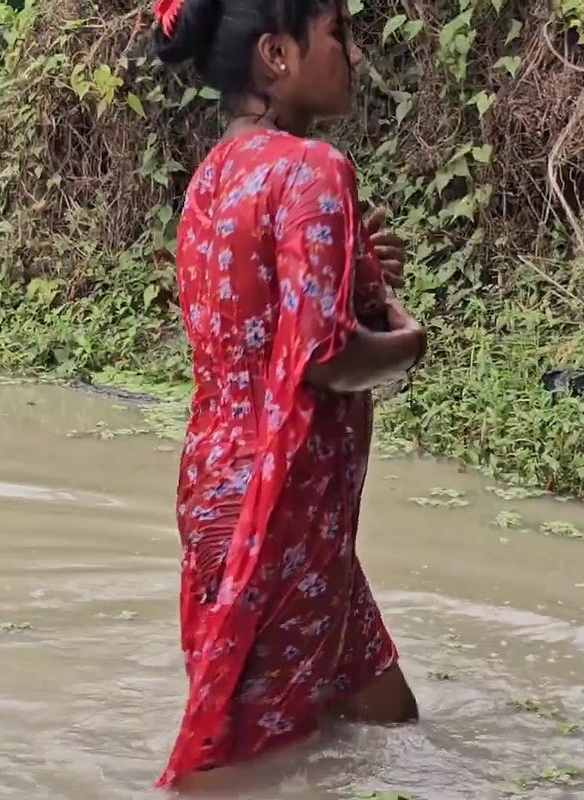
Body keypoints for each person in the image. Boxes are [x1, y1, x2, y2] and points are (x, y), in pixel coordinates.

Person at [148, 0, 428, 789]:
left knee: (384, 719)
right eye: (336, 34)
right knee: (249, 768)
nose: (352, 54)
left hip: (220, 487)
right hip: (280, 507)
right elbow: (322, 355)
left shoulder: (213, 177)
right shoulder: (313, 169)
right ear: (276, 54)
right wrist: (409, 343)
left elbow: (258, 318)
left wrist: (356, 269)